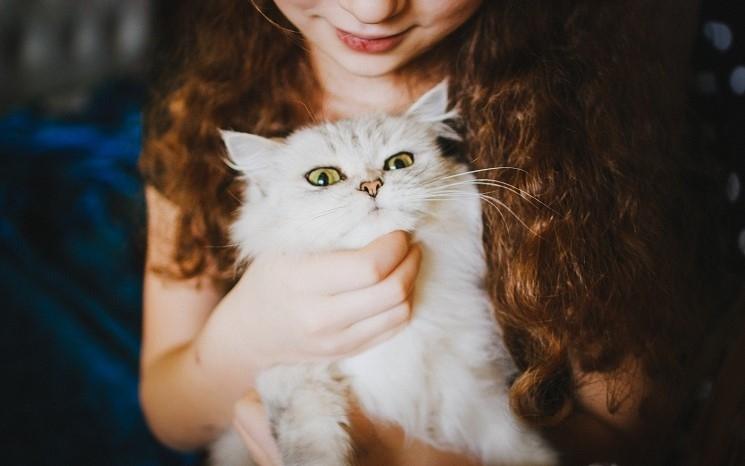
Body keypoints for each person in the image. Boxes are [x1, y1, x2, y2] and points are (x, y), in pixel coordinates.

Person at [138, 1, 720, 464]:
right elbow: (169, 416)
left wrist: (421, 460)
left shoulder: (590, 134)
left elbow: (632, 431)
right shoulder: (193, 114)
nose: (371, 8)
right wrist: (246, 336)